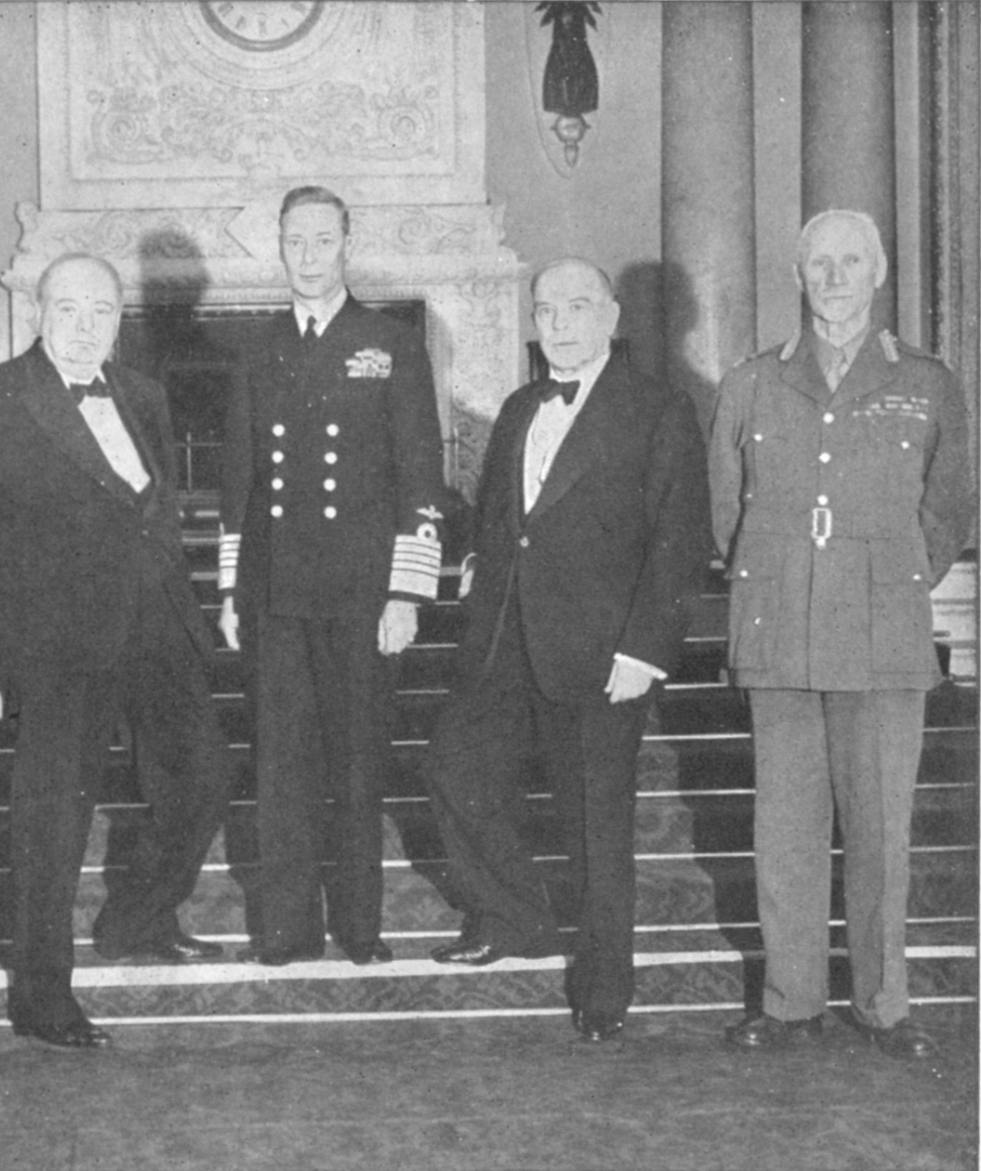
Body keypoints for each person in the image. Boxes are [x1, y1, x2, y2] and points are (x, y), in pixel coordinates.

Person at [0, 252, 232, 1049]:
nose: (87, 326)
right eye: (70, 309)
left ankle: (136, 916)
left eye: (102, 311)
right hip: (55, 642)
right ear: (38, 311)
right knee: (52, 823)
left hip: (158, 625)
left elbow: (151, 510)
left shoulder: (143, 394)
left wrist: (194, 609)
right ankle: (40, 993)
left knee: (203, 777)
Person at [423, 258, 710, 1043]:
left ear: (612, 318)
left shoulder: (659, 410)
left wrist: (644, 651)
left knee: (597, 828)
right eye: (547, 308)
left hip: (601, 652)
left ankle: (604, 984)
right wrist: (480, 582)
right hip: (505, 642)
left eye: (579, 306)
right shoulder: (520, 405)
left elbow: (679, 542)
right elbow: (500, 515)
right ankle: (513, 912)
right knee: (452, 765)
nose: (560, 322)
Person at [711, 210, 974, 1059]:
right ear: (798, 274)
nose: (835, 277)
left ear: (880, 271)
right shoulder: (754, 381)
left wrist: (889, 581)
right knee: (782, 829)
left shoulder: (926, 382)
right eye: (819, 262)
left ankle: (882, 1004)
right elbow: (726, 514)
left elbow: (948, 505)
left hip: (882, 635)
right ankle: (790, 1003)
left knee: (879, 832)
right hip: (779, 628)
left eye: (850, 261)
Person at [218, 186, 447, 966]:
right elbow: (239, 482)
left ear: (348, 242)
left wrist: (409, 591)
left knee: (356, 764)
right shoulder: (258, 348)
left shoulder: (389, 342)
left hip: (361, 595)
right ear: (278, 248)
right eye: (294, 242)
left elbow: (422, 477)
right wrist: (228, 590)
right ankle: (284, 929)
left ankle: (358, 927)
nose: (308, 256)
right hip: (276, 593)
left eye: (322, 240)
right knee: (281, 769)